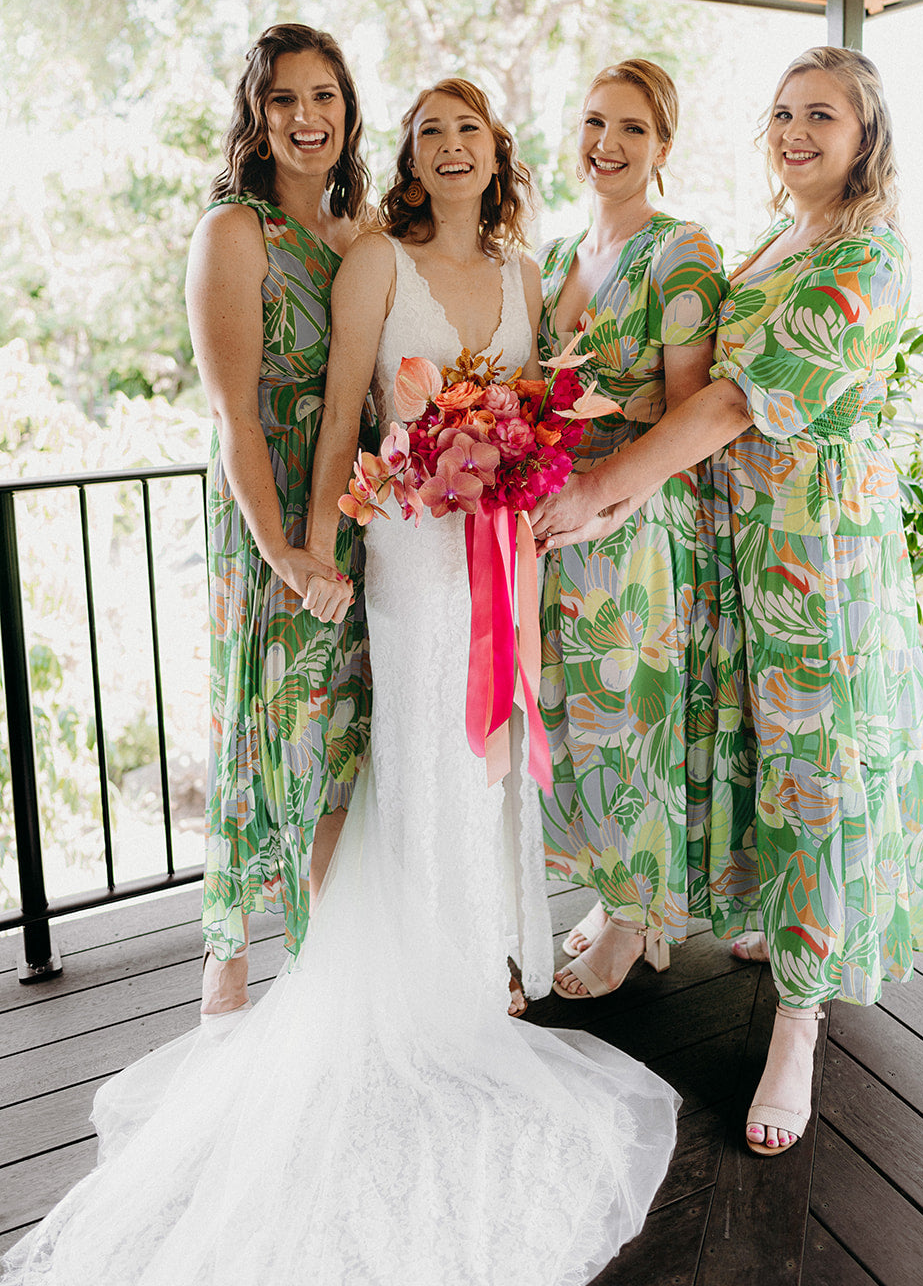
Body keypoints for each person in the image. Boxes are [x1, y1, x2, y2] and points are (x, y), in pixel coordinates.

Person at [1, 80, 679, 1286]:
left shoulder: (528, 271)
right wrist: (315, 551)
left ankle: (484, 972)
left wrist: (523, 459)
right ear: (410, 156)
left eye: (468, 127)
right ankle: (417, 996)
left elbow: (541, 406)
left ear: (497, 150)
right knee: (421, 742)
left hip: (502, 553)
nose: (450, 145)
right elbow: (335, 424)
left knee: (487, 757)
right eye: (429, 131)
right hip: (413, 552)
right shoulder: (377, 256)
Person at [533, 46, 923, 1155]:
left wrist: (611, 485)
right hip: (733, 537)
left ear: (865, 135)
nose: (793, 132)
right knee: (753, 749)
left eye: (819, 115)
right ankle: (759, 922)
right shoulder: (778, 240)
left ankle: (798, 1029)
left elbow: (729, 397)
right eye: (779, 113)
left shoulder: (869, 255)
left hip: (817, 548)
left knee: (812, 769)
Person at [184, 23, 373, 1023]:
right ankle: (229, 958)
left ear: (347, 112)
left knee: (340, 730)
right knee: (271, 717)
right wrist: (287, 552)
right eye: (284, 99)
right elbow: (235, 414)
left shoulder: (358, 232)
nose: (306, 118)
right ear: (256, 116)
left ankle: (325, 961)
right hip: (272, 511)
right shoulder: (232, 231)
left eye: (324, 98)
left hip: (355, 510)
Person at [537, 59, 728, 1000]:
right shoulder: (555, 256)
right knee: (571, 721)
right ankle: (614, 887)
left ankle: (635, 918)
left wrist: (611, 491)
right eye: (593, 123)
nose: (605, 145)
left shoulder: (679, 251)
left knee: (627, 718)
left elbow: (688, 416)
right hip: (551, 518)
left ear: (663, 146)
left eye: (631, 130)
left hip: (635, 524)